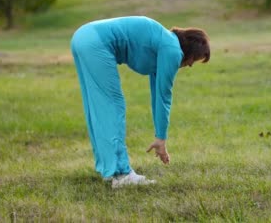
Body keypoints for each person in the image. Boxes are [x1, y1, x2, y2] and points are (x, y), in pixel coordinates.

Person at [70, 16, 210, 188]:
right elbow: (164, 97)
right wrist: (161, 138)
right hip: (95, 42)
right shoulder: (172, 50)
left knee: (99, 107)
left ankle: (110, 170)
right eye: (193, 61)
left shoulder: (163, 42)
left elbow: (157, 96)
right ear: (190, 52)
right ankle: (122, 174)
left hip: (82, 36)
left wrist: (160, 136)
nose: (189, 65)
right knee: (113, 105)